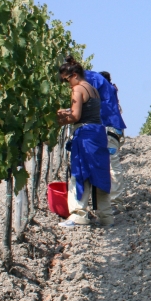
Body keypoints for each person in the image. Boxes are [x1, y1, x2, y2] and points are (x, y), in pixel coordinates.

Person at [56, 56, 112, 227]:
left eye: (67, 80)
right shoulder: (92, 89)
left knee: (80, 173)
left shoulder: (78, 89)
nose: (68, 85)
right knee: (100, 173)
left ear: (74, 75)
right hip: (98, 134)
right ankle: (106, 216)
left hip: (86, 135)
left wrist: (59, 118)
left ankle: (78, 214)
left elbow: (76, 116)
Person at [86, 70, 126, 203]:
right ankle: (113, 201)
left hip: (105, 131)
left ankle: (110, 202)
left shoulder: (102, 93)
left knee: (107, 166)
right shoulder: (112, 91)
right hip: (113, 132)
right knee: (112, 166)